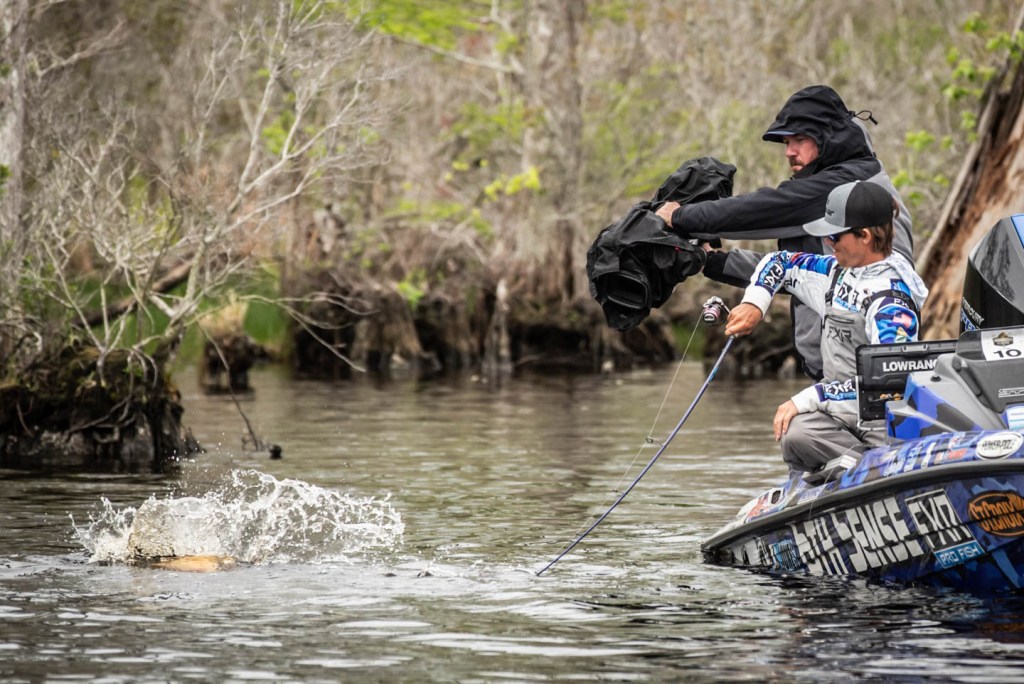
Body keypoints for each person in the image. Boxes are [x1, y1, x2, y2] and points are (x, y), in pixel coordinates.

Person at [654, 85, 914, 380]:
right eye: (787, 142)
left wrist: (679, 217)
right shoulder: (842, 189)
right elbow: (796, 269)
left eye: (799, 140)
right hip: (832, 374)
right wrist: (713, 261)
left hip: (862, 374)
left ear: (828, 138)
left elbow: (762, 209)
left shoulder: (846, 191)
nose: (789, 151)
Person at [722, 180, 929, 473]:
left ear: (865, 236)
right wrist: (754, 303)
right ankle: (842, 476)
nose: (828, 243)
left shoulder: (892, 305)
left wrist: (810, 398)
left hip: (881, 426)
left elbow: (887, 384)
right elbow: (779, 263)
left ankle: (874, 474)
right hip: (840, 416)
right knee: (795, 432)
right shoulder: (834, 272)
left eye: (834, 235)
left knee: (799, 426)